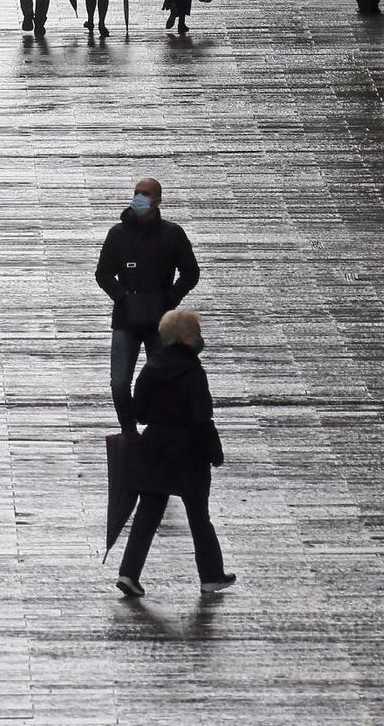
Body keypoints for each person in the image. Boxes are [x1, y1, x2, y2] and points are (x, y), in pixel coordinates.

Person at [115, 307, 234, 599]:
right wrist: (214, 452)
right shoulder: (193, 372)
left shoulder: (151, 367)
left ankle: (128, 573)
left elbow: (139, 411)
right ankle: (210, 575)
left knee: (148, 512)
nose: (200, 338)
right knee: (198, 515)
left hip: (154, 445)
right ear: (185, 338)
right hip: (189, 450)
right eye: (196, 333)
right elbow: (202, 416)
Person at [95, 177, 201, 435]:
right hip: (125, 320)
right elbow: (103, 273)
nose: (139, 197)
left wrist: (169, 298)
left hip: (160, 322)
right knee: (119, 384)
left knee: (163, 379)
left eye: (145, 193)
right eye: (136, 192)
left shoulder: (172, 234)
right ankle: (129, 431)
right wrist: (122, 297)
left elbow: (191, 272)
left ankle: (157, 431)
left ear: (158, 201)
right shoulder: (117, 234)